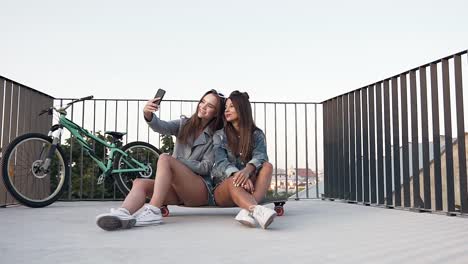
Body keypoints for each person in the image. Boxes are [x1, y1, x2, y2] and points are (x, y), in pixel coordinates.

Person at [96, 89, 225, 231]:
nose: (203, 106)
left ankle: (154, 210)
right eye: (202, 102)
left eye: (210, 106)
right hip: (177, 191)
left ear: (217, 113)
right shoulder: (184, 124)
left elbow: (206, 167)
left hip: (199, 190)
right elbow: (161, 126)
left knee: (165, 158)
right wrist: (148, 114)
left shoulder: (216, 135)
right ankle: (122, 214)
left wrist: (178, 161)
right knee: (140, 183)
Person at [211, 91, 276, 229]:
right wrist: (239, 175)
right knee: (232, 181)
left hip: (249, 187)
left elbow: (261, 156)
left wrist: (247, 171)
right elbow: (221, 163)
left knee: (268, 166)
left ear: (242, 109)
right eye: (226, 107)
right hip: (224, 188)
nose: (226, 110)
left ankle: (248, 210)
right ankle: (256, 210)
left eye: (232, 107)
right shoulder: (219, 135)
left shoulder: (256, 134)